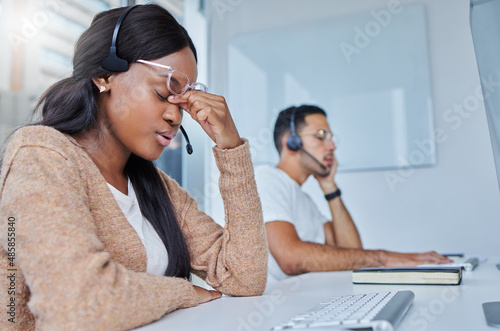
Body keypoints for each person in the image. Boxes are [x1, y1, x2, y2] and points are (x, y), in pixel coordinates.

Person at [0, 5, 267, 331]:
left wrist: (231, 148)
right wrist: (181, 291)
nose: (176, 117)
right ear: (104, 76)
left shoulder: (156, 186)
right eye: (161, 93)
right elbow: (80, 305)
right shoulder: (41, 156)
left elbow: (244, 275)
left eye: (182, 103)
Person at [254, 105, 450, 284]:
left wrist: (330, 188)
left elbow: (352, 252)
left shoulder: (304, 200)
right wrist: (383, 257)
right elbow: (292, 259)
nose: (332, 147)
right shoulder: (267, 179)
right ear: (292, 143)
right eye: (321, 136)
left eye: (330, 137)